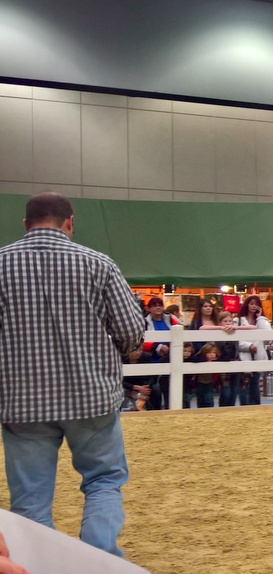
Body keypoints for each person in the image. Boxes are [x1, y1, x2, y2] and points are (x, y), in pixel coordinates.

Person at [0, 192, 144, 557]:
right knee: (103, 481)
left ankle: (39, 564)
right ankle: (98, 557)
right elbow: (130, 331)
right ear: (70, 223)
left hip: (21, 400)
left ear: (25, 224)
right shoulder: (99, 264)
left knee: (30, 502)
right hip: (91, 396)